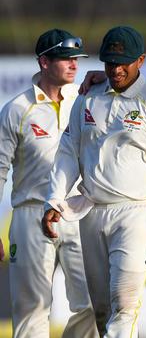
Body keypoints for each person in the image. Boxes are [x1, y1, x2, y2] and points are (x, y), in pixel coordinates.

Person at [42, 26, 146, 337]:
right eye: (109, 63)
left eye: (124, 63)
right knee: (103, 311)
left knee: (124, 308)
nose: (116, 70)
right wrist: (55, 199)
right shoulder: (87, 97)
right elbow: (68, 150)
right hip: (91, 213)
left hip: (135, 214)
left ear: (141, 60)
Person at [0, 29, 97, 338]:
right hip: (30, 216)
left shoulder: (84, 102)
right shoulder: (17, 109)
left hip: (77, 213)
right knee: (32, 311)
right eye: (66, 58)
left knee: (95, 304)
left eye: (76, 59)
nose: (73, 65)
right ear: (44, 62)